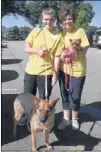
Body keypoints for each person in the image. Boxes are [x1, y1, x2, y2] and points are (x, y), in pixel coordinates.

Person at [58, 8, 90, 130]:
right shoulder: (62, 34)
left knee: (75, 96)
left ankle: (75, 118)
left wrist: (72, 54)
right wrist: (63, 56)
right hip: (64, 70)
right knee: (65, 95)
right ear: (62, 21)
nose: (67, 21)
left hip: (78, 70)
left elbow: (84, 51)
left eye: (69, 18)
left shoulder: (80, 31)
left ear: (73, 19)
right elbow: (59, 54)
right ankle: (66, 118)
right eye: (65, 19)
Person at [24, 8, 64, 100]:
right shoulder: (36, 31)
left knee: (43, 100)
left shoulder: (58, 35)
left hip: (46, 73)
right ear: (42, 19)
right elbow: (26, 48)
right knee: (27, 99)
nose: (48, 22)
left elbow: (57, 57)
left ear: (54, 20)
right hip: (30, 71)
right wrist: (38, 51)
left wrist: (55, 75)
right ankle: (29, 115)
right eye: (46, 19)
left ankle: (42, 115)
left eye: (51, 19)